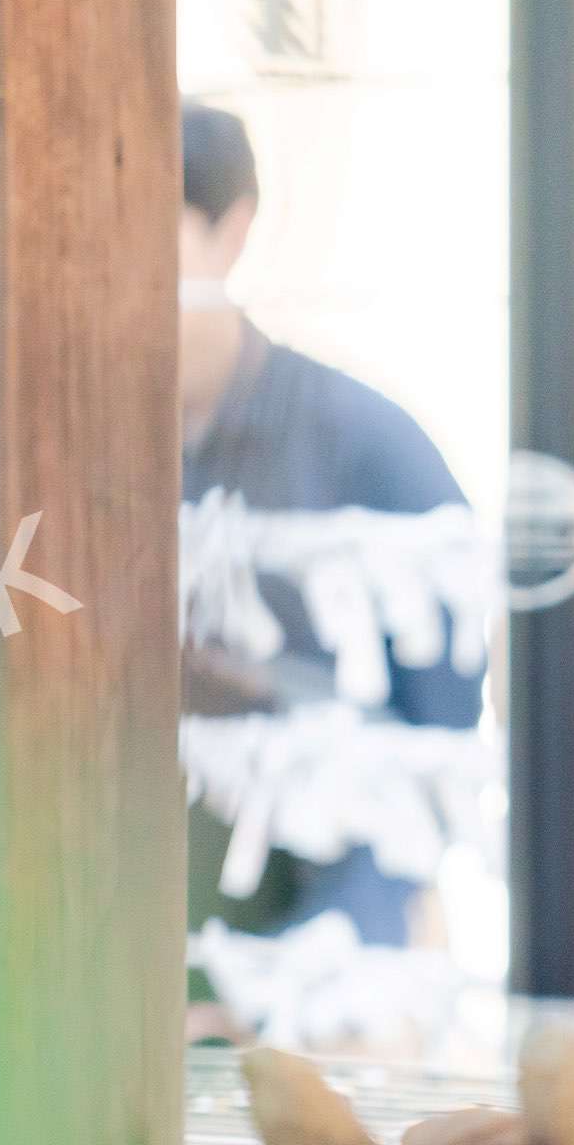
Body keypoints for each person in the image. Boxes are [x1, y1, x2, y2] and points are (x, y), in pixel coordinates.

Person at [178, 101, 477, 942]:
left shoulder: (371, 449)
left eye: (142, 235)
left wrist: (318, 962)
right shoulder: (54, 457)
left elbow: (437, 752)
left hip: (326, 958)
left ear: (230, 235)